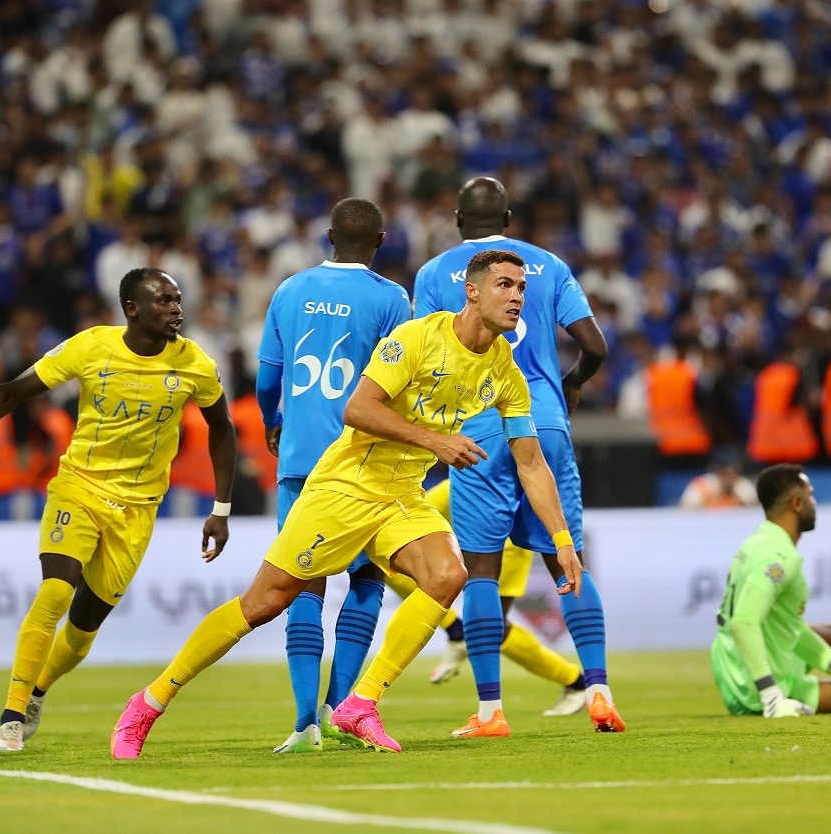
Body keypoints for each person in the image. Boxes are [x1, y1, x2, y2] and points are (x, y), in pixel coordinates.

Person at [110, 249, 584, 758]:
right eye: (505, 286)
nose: (517, 297)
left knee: (448, 575)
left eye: (521, 289)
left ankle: (361, 704)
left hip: (400, 496)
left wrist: (562, 541)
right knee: (264, 604)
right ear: (472, 291)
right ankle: (149, 702)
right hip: (346, 487)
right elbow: (357, 409)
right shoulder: (417, 338)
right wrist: (435, 441)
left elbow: (532, 464)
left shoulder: (505, 373)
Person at [0, 268, 237, 751]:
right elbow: (11, 392)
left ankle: (38, 691)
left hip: (137, 509)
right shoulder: (91, 347)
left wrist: (221, 506)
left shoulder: (194, 363)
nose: (176, 309)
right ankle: (11, 713)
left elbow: (223, 427)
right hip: (80, 489)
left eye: (177, 300)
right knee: (54, 593)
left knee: (83, 627)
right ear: (132, 308)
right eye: (164, 301)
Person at [413, 176, 621, 737]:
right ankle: (599, 690)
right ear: (508, 219)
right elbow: (596, 345)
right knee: (567, 557)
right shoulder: (546, 264)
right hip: (544, 422)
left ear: (458, 221)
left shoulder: (434, 274)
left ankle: (490, 713)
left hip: (478, 430)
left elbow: (424, 349)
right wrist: (572, 383)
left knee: (481, 573)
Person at [255, 198, 411, 753]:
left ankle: (304, 726)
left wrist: (275, 420)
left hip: (299, 460)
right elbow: (401, 382)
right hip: (361, 464)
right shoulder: (392, 299)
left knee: (302, 586)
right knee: (366, 583)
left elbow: (268, 378)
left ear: (327, 236)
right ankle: (343, 710)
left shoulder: (289, 290)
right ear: (381, 240)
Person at [384, 478, 590, 717]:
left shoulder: (420, 504)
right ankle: (456, 630)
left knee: (493, 628)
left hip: (507, 546)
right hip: (483, 545)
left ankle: (575, 682)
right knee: (491, 627)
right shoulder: (433, 497)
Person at [711, 463, 831, 717]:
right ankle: (775, 695)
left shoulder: (758, 542)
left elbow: (791, 626)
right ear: (797, 504)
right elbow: (743, 623)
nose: (815, 503)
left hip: (731, 667)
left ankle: (784, 681)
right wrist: (771, 696)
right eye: (810, 495)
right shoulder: (777, 558)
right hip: (753, 689)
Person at [678, 446, 759, 509]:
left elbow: (755, 511)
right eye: (725, 474)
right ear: (716, 471)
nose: (729, 478)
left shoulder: (743, 485)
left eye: (733, 473)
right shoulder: (701, 485)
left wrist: (741, 502)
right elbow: (684, 511)